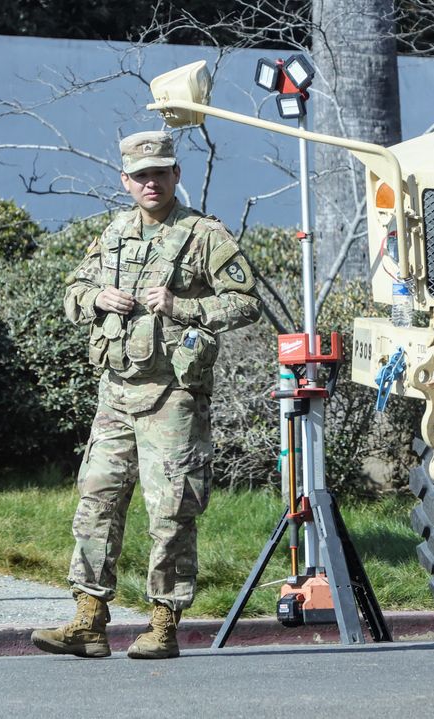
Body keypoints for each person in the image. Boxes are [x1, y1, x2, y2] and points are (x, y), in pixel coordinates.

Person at [31, 131, 261, 659]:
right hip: (116, 392)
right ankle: (88, 622)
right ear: (125, 181)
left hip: (172, 396)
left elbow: (245, 304)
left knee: (171, 509)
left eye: (160, 173)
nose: (150, 182)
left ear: (175, 175)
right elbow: (72, 292)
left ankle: (163, 624)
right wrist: (96, 298)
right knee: (97, 501)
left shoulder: (204, 235)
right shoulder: (113, 232)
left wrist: (184, 306)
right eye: (140, 175)